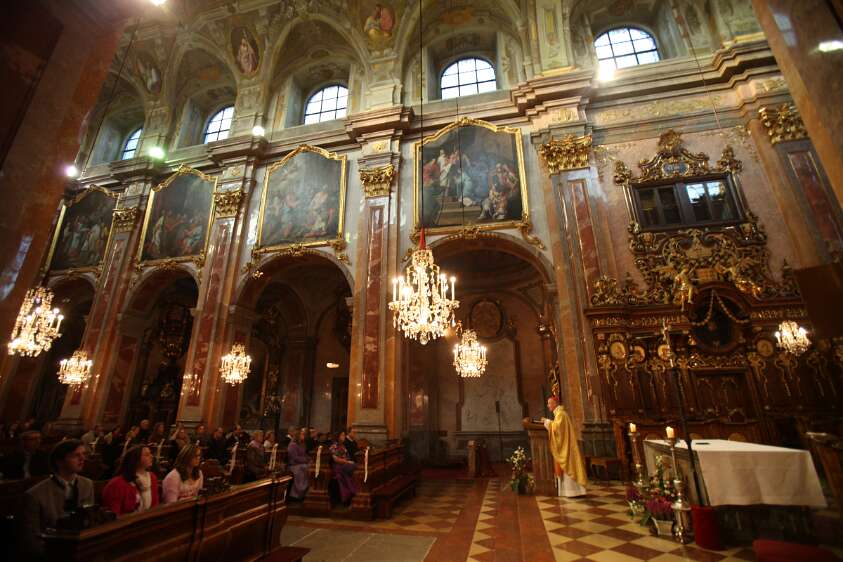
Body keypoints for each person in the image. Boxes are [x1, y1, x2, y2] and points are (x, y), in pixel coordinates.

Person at [22, 440, 94, 558]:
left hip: (81, 549)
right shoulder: (35, 494)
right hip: (51, 553)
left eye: (83, 454)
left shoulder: (87, 484)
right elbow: (32, 537)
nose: (82, 459)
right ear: (59, 462)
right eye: (76, 455)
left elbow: (89, 519)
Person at [542, 395, 587, 497]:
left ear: (555, 403)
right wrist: (548, 422)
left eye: (549, 403)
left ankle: (574, 492)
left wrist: (547, 422)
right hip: (565, 446)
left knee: (568, 467)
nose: (548, 405)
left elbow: (557, 429)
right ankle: (570, 492)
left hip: (566, 448)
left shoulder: (561, 414)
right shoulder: (559, 414)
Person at [101, 445, 159, 516]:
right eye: (147, 455)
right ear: (135, 459)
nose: (151, 456)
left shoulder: (152, 478)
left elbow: (155, 507)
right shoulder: (117, 484)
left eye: (150, 453)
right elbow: (114, 515)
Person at [330, 431, 358, 505]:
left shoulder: (343, 445)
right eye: (342, 435)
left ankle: (353, 493)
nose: (344, 437)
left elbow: (347, 456)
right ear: (338, 436)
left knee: (355, 467)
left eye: (344, 435)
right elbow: (335, 459)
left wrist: (349, 461)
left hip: (344, 464)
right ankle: (349, 494)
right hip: (338, 466)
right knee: (354, 467)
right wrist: (347, 462)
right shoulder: (334, 446)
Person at [287, 428, 310, 502]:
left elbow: (304, 454)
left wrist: (309, 459)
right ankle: (296, 495)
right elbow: (294, 457)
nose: (304, 436)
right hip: (294, 465)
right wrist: (305, 460)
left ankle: (304, 493)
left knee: (310, 468)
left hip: (301, 463)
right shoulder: (292, 445)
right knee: (303, 468)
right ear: (298, 435)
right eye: (302, 434)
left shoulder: (302, 444)